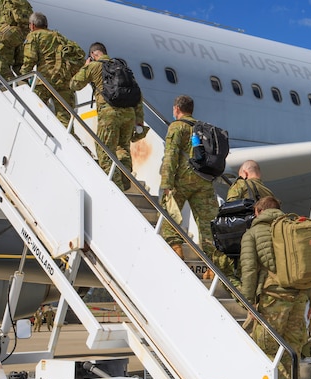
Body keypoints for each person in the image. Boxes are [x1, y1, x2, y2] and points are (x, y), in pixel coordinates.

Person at [238, 196, 311, 379]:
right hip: (299, 298)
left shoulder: (252, 234)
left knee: (264, 349)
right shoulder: (294, 229)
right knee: (291, 350)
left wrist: (247, 303)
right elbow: (310, 268)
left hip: (273, 299)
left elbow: (249, 270)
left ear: (257, 211)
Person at [70, 41, 144, 191]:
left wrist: (86, 66)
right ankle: (125, 177)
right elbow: (137, 95)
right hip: (129, 114)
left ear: (93, 55)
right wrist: (139, 120)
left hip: (109, 114)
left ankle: (114, 189)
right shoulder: (123, 67)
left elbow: (74, 84)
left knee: (105, 150)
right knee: (122, 148)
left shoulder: (94, 66)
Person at [158, 94, 218, 262]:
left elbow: (171, 155)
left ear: (177, 109)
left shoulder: (177, 127)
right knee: (206, 223)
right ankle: (211, 267)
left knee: (169, 212)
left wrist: (166, 183)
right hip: (204, 180)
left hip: (183, 179)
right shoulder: (202, 127)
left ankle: (176, 249)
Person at [20, 12, 78, 126]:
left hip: (45, 81)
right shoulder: (59, 36)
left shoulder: (34, 36)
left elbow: (30, 58)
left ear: (32, 25)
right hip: (64, 80)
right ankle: (68, 141)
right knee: (65, 118)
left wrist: (23, 76)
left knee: (34, 111)